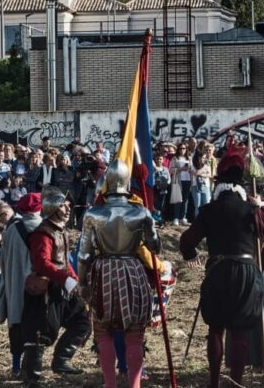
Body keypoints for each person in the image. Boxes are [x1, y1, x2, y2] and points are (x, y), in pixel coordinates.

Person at [180, 146, 264, 388]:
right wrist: (262, 208)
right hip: (246, 272)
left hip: (217, 270)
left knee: (216, 328)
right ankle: (236, 382)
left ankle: (215, 382)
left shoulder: (208, 210)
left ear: (218, 183)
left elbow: (186, 241)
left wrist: (191, 254)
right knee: (239, 331)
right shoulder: (251, 209)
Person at [78, 159, 161, 388]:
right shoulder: (140, 212)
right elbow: (156, 247)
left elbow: (84, 254)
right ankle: (134, 385)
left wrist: (82, 281)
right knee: (134, 333)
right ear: (126, 182)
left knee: (103, 331)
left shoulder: (94, 213)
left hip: (103, 271)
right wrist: (149, 223)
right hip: (132, 270)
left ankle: (110, 384)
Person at [19, 186, 91, 386]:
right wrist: (67, 280)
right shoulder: (42, 233)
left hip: (63, 287)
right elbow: (42, 263)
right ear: (52, 207)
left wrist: (76, 281)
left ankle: (61, 360)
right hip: (45, 289)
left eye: (69, 206)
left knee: (82, 321)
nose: (68, 209)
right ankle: (32, 375)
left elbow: (64, 263)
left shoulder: (61, 231)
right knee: (39, 332)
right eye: (63, 206)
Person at [0, 193, 44, 377]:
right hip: (38, 284)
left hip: (16, 285)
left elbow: (4, 259)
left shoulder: (10, 231)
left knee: (16, 325)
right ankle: (33, 368)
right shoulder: (44, 228)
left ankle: (16, 366)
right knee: (36, 326)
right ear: (39, 207)